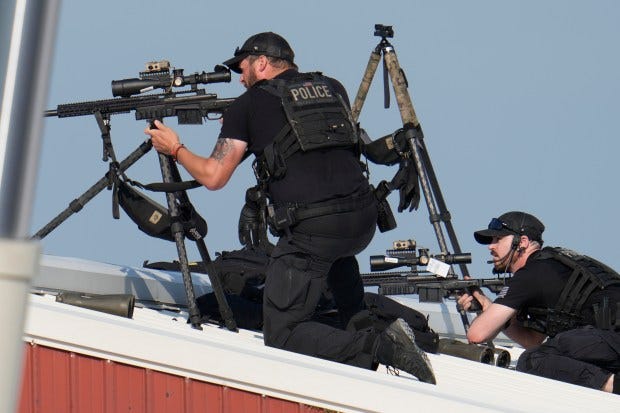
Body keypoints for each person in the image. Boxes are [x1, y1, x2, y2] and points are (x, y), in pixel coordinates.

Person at [145, 31, 435, 383]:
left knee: (282, 333)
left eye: (243, 67)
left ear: (262, 63)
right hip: (361, 221)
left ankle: (382, 348)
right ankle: (362, 330)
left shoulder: (248, 105)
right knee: (338, 271)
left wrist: (174, 148)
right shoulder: (332, 87)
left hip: (314, 229)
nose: (240, 77)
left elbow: (214, 175)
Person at [458, 211, 620, 394]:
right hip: (608, 340)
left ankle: (614, 385)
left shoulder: (530, 274)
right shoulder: (551, 265)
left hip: (610, 337)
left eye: (498, 239)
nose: (491, 246)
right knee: (546, 355)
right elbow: (533, 340)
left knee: (531, 361)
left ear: (523, 242)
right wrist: (490, 309)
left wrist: (489, 311)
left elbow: (476, 335)